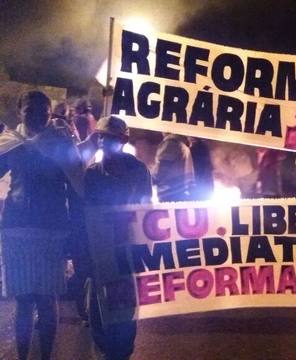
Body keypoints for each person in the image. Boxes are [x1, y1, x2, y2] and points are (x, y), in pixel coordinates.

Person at [0, 91, 84, 360]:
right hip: (17, 230)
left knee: (47, 300)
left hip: (52, 231)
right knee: (23, 301)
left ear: (50, 114)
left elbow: (78, 188)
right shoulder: (10, 143)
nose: (36, 117)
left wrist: (76, 232)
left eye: (43, 113)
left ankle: (45, 357)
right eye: (30, 111)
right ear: (19, 111)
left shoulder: (61, 144)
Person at [83, 115, 152, 359]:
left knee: (123, 313)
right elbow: (86, 216)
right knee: (98, 314)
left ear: (122, 141)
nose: (105, 142)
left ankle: (120, 354)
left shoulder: (138, 170)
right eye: (101, 136)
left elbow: (146, 211)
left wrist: (143, 250)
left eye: (111, 138)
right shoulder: (91, 174)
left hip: (125, 251)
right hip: (100, 252)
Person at [152, 133, 195, 202]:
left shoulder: (171, 143)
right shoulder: (183, 146)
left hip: (168, 193)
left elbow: (163, 166)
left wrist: (148, 181)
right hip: (181, 193)